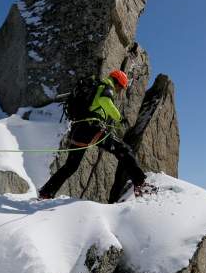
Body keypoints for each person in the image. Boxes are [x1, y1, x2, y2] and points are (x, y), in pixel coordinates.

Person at [38, 70, 153, 200]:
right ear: (117, 82)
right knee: (123, 150)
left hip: (78, 130)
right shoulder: (106, 86)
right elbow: (105, 101)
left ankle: (46, 193)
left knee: (71, 166)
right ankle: (141, 184)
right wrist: (119, 118)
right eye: (120, 87)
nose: (120, 90)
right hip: (91, 128)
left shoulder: (95, 88)